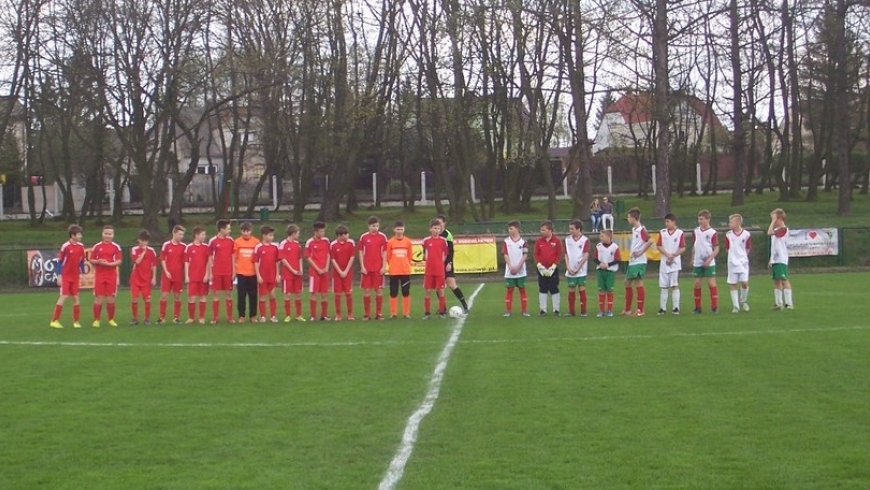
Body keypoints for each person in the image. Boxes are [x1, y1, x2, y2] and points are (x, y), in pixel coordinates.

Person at [49, 224, 86, 329]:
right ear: (72, 235)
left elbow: (81, 261)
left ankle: (76, 322)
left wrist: (82, 274)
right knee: (64, 296)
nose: (80, 236)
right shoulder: (65, 246)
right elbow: (60, 262)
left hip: (75, 276)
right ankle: (54, 321)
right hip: (66, 275)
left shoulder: (81, 246)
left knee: (75, 297)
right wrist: (59, 275)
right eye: (78, 234)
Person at [89, 225, 122, 327]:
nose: (107, 235)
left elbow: (118, 261)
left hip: (111, 275)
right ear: (102, 234)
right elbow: (91, 259)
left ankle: (111, 320)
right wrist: (98, 261)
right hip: (100, 275)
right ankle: (96, 320)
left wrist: (108, 264)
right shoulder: (97, 246)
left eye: (110, 234)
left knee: (110, 298)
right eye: (106, 233)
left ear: (113, 235)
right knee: (99, 297)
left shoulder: (116, 247)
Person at [622, 207, 652, 316]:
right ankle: (628, 309)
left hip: (639, 261)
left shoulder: (641, 229)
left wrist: (640, 252)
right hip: (633, 261)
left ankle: (640, 310)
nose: (628, 219)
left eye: (629, 217)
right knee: (627, 282)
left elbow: (650, 241)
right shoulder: (634, 229)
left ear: (634, 218)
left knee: (638, 282)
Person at [436, 214, 469, 312]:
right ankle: (443, 308)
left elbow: (450, 251)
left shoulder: (447, 235)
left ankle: (465, 305)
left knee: (451, 284)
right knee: (439, 287)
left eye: (440, 223)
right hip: (437, 264)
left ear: (444, 223)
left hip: (446, 263)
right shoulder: (435, 234)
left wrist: (449, 263)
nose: (438, 225)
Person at [358, 216, 387, 320]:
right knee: (366, 291)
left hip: (378, 268)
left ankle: (379, 314)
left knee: (378, 290)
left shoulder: (383, 237)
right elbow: (361, 252)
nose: (375, 228)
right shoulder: (364, 237)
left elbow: (384, 252)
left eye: (377, 226)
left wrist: (384, 266)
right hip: (367, 269)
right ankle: (367, 314)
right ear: (369, 226)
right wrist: (362, 266)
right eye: (373, 226)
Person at [656, 213, 686, 315]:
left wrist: (673, 255)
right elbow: (659, 245)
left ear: (674, 222)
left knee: (674, 284)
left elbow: (682, 247)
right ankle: (662, 308)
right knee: (664, 285)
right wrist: (667, 254)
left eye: (668, 221)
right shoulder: (662, 232)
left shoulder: (679, 233)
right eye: (665, 222)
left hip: (674, 263)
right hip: (664, 262)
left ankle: (676, 307)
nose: (666, 224)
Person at [692, 209, 720, 314]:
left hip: (709, 261)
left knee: (711, 283)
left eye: (701, 219)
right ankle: (697, 308)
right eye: (698, 219)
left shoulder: (712, 232)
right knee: (697, 284)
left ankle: (714, 307)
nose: (699, 221)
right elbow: (695, 245)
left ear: (708, 219)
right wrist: (693, 257)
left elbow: (717, 248)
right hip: (698, 261)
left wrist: (709, 259)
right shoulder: (696, 231)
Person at [208, 219, 236, 324]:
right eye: (228, 228)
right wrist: (211, 272)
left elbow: (233, 256)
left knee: (229, 294)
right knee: (216, 294)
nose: (230, 230)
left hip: (228, 272)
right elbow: (210, 257)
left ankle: (230, 317)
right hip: (217, 272)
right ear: (222, 229)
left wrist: (234, 270)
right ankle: (215, 317)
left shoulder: (230, 241)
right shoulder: (213, 241)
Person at [534, 220, 563, 316]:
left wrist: (553, 266)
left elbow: (559, 254)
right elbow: (536, 254)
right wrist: (539, 265)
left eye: (543, 230)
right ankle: (543, 310)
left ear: (550, 230)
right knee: (542, 288)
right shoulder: (539, 241)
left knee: (554, 288)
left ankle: (556, 309)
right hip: (541, 269)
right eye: (541, 230)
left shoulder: (557, 241)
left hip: (553, 269)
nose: (541, 232)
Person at [158, 225, 186, 324]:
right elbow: (162, 259)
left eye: (183, 234)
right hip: (167, 275)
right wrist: (166, 271)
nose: (181, 236)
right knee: (164, 295)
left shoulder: (184, 247)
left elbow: (185, 262)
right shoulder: (166, 245)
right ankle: (162, 318)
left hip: (178, 275)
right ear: (174, 233)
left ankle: (176, 318)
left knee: (177, 296)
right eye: (180, 234)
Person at [385, 221, 414, 319]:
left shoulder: (408, 242)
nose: (399, 231)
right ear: (394, 230)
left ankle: (406, 313)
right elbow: (388, 257)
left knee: (406, 291)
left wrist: (406, 265)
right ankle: (393, 313)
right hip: (394, 271)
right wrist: (393, 265)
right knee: (393, 292)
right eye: (397, 229)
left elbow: (410, 256)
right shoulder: (390, 242)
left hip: (405, 271)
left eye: (401, 229)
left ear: (404, 229)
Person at [129, 230, 158, 326]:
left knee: (147, 299)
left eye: (146, 241)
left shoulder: (152, 251)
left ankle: (147, 319)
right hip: (136, 279)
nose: (144, 243)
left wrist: (154, 277)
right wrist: (143, 252)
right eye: (142, 240)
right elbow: (137, 261)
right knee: (134, 299)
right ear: (138, 240)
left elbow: (154, 264)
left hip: (146, 279)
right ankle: (134, 318)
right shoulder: (134, 249)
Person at [422, 219, 449, 318]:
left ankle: (442, 312)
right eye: (435, 228)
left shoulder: (443, 241)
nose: (436, 230)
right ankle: (427, 313)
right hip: (429, 271)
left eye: (438, 228)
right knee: (428, 291)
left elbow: (445, 254)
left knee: (441, 291)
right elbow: (425, 254)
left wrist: (440, 263)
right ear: (430, 229)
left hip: (439, 271)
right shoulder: (426, 240)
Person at [234, 221, 260, 323]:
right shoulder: (237, 242)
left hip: (253, 273)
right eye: (244, 231)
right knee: (241, 295)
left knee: (253, 296)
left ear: (251, 231)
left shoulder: (256, 242)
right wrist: (235, 269)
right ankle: (241, 315)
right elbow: (235, 258)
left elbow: (258, 258)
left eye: (248, 231)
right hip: (241, 273)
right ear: (241, 231)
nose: (246, 233)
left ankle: (253, 316)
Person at [253, 225, 281, 323]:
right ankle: (263, 316)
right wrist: (258, 276)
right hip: (263, 276)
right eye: (270, 235)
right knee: (262, 296)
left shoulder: (275, 247)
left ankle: (273, 316)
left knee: (273, 295)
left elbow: (277, 262)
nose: (271, 237)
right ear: (264, 236)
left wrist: (277, 275)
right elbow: (255, 262)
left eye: (272, 235)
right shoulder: (258, 247)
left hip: (272, 276)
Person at [279, 224, 306, 322]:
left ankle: (299, 315)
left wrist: (300, 270)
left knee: (298, 293)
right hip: (288, 274)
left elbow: (299, 258)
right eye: (298, 233)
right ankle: (288, 315)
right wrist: (292, 270)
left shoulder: (297, 244)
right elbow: (283, 259)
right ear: (293, 233)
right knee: (288, 294)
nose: (298, 235)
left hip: (297, 273)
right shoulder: (283, 244)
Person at [503, 220, 530, 317]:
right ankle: (508, 311)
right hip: (510, 271)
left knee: (522, 289)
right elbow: (505, 254)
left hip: (521, 271)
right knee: (509, 290)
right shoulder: (506, 241)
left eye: (511, 228)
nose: (509, 230)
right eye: (508, 229)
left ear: (517, 229)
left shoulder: (524, 241)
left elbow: (525, 254)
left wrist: (518, 266)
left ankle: (524, 311)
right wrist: (510, 266)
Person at [768, 208, 794, 310]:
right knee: (776, 280)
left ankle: (789, 303)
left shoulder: (783, 229)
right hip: (775, 259)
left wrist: (773, 220)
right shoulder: (776, 230)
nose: (772, 221)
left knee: (784, 279)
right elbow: (774, 246)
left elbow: (769, 232)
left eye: (774, 219)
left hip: (781, 259)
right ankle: (779, 303)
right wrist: (771, 259)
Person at [306, 221, 332, 321]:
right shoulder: (310, 242)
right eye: (321, 231)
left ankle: (324, 315)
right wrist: (317, 269)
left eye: (323, 231)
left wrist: (326, 267)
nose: (323, 234)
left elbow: (328, 254)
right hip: (314, 272)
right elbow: (308, 257)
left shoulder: (326, 241)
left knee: (325, 293)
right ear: (316, 232)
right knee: (314, 293)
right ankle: (313, 315)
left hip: (324, 271)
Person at [725, 214, 751, 313]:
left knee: (744, 282)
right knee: (733, 283)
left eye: (731, 222)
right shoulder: (728, 234)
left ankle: (743, 301)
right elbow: (727, 248)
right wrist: (733, 257)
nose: (729, 224)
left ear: (737, 222)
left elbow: (748, 248)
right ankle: (735, 306)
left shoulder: (746, 234)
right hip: (732, 262)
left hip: (743, 262)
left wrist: (742, 257)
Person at [184, 227, 210, 324]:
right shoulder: (189, 247)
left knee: (203, 296)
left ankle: (201, 318)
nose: (204, 236)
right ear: (196, 235)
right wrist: (186, 276)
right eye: (203, 234)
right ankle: (191, 318)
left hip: (203, 276)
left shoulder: (206, 247)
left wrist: (207, 274)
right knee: (191, 297)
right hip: (192, 276)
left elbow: (208, 262)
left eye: (204, 234)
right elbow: (186, 262)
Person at [564, 219, 590, 317]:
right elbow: (566, 254)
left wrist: (578, 268)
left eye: (572, 229)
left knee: (582, 288)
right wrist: (568, 267)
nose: (570, 231)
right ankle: (571, 311)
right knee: (571, 289)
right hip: (570, 270)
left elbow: (586, 255)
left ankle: (583, 311)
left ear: (578, 229)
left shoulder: (585, 240)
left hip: (581, 270)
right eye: (569, 229)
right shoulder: (567, 240)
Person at [330, 225, 356, 321]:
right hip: (337, 273)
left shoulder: (351, 243)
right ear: (340, 235)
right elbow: (332, 259)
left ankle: (350, 314)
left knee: (348, 293)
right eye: (346, 234)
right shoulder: (333, 245)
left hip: (348, 272)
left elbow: (352, 257)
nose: (348, 235)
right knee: (337, 294)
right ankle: (338, 314)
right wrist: (340, 271)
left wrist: (345, 271)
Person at [593, 229, 620, 317]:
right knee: (601, 290)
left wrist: (608, 264)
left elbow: (617, 259)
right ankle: (601, 310)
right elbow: (595, 258)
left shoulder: (615, 247)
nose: (600, 238)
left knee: (610, 290)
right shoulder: (598, 246)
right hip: (601, 271)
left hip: (610, 271)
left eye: (602, 236)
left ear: (608, 237)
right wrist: (600, 264)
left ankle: (610, 310)